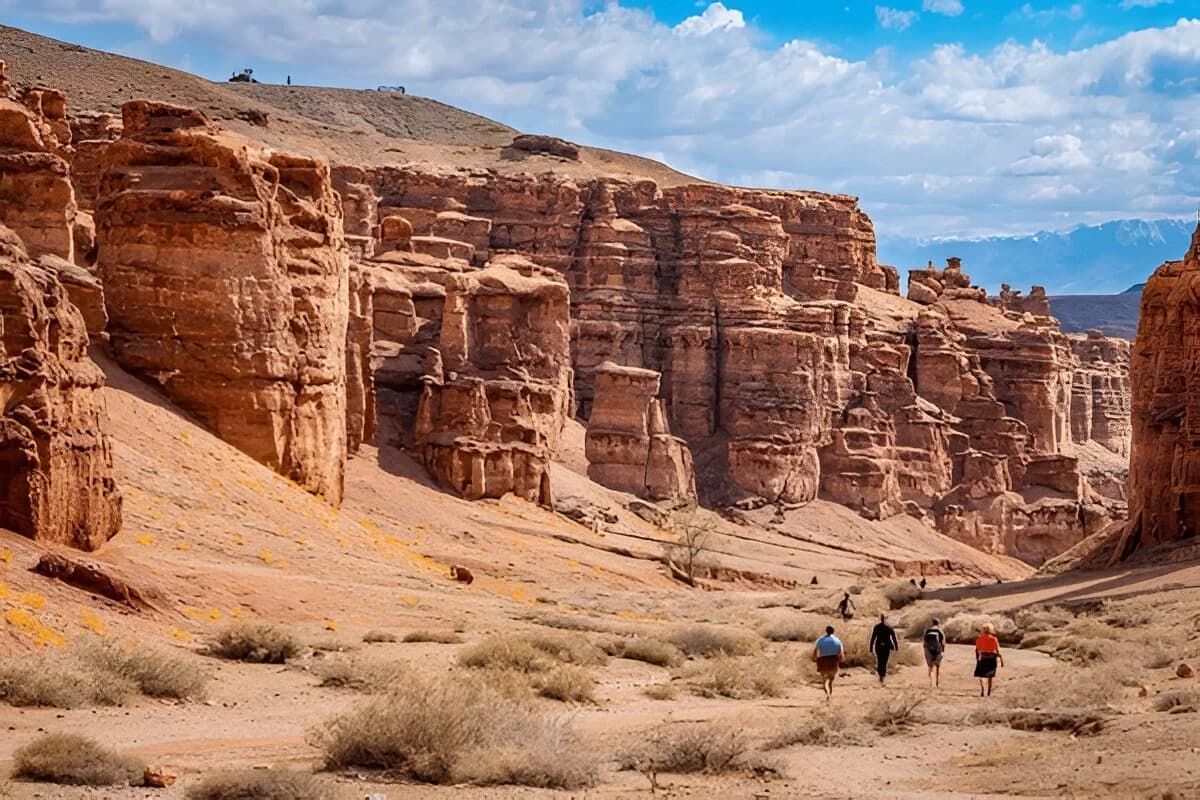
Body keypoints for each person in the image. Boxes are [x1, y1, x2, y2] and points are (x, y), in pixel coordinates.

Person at [813, 625, 844, 701]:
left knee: (825, 681)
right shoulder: (837, 640)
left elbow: (815, 651)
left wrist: (815, 659)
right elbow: (840, 654)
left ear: (826, 631)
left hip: (823, 662)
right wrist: (840, 661)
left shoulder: (820, 640)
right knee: (830, 681)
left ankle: (828, 694)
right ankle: (829, 695)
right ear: (833, 631)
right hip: (833, 662)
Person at [974, 622, 1004, 696]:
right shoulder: (994, 639)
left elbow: (977, 650)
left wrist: (978, 658)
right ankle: (989, 692)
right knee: (990, 676)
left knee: (981, 675)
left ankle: (982, 689)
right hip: (992, 658)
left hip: (983, 657)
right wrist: (1001, 659)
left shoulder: (979, 639)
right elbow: (997, 650)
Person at [869, 613, 899, 686]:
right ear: (886, 619)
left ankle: (881, 677)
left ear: (880, 619)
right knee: (884, 662)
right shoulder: (889, 627)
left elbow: (873, 638)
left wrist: (871, 647)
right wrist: (896, 646)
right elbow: (894, 638)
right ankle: (882, 677)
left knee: (880, 661)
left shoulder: (877, 627)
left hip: (878, 646)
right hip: (886, 647)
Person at [923, 618, 946, 688]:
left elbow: (925, 642)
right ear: (938, 623)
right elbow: (943, 642)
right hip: (938, 650)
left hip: (929, 650)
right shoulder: (939, 630)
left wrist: (926, 651)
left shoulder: (928, 630)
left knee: (930, 667)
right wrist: (943, 651)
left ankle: (931, 681)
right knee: (938, 666)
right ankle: (937, 682)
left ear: (932, 623)